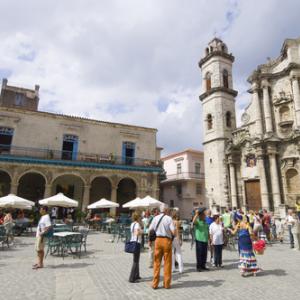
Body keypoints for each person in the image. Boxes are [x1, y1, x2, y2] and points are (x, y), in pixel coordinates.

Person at [149, 207, 175, 289]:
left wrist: (150, 240)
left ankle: (155, 284)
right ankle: (166, 284)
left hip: (158, 240)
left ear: (160, 211)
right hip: (166, 240)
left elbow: (150, 230)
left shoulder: (155, 218)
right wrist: (172, 238)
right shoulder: (169, 218)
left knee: (157, 263)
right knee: (167, 263)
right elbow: (173, 231)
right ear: (166, 211)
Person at [129, 212, 142, 283]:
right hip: (137, 243)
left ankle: (137, 275)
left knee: (136, 259)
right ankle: (132, 278)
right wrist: (141, 231)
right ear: (138, 217)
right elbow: (137, 233)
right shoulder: (137, 224)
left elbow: (133, 232)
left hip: (133, 241)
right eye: (140, 217)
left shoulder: (132, 224)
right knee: (136, 261)